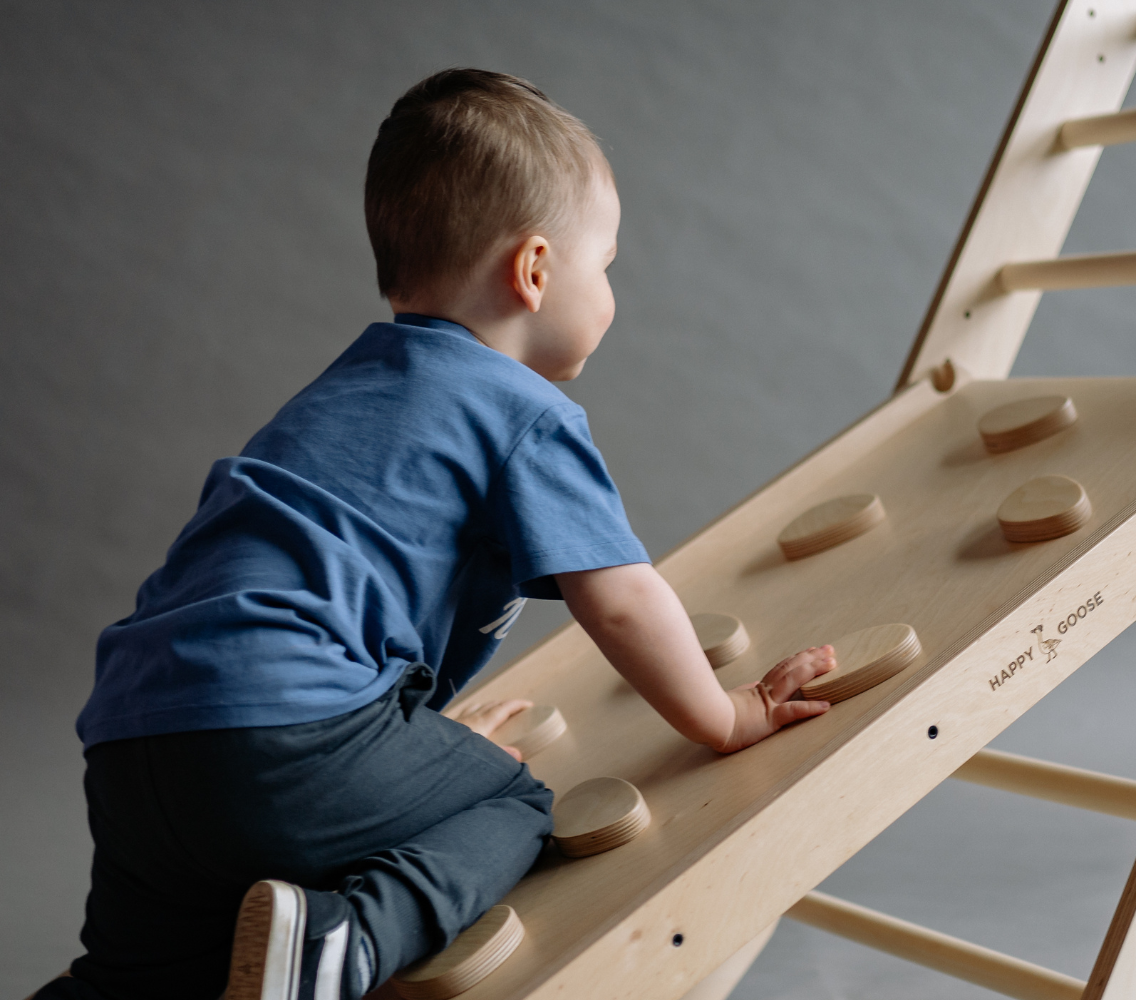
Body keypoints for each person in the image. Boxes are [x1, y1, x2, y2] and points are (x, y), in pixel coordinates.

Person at [40, 68, 835, 1000]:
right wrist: (726, 715)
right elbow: (619, 598)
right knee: (513, 800)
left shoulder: (345, 392)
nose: (612, 290)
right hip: (285, 735)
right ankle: (345, 946)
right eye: (607, 263)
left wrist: (409, 746)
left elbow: (328, 586)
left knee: (139, 973)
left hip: (134, 747)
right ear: (536, 271)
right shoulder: (519, 410)